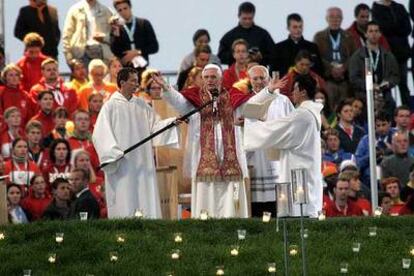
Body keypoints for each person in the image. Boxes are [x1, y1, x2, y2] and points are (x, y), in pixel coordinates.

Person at [153, 64, 249, 218]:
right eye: (207, 77)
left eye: (213, 77)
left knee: (233, 190)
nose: (210, 80)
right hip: (203, 157)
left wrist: (269, 91)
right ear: (202, 79)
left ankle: (234, 219)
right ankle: (205, 221)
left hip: (231, 157)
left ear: (220, 78)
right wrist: (166, 87)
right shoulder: (195, 98)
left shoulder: (233, 96)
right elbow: (178, 101)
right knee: (206, 192)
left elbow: (250, 105)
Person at [93, 67, 179, 218]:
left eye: (137, 81)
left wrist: (172, 123)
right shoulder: (110, 107)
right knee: (125, 199)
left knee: (144, 199)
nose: (137, 84)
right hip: (122, 164)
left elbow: (155, 128)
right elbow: (100, 134)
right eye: (133, 81)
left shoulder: (142, 106)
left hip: (143, 163)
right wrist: (113, 153)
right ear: (122, 82)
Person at [243, 74, 323, 218]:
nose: (292, 93)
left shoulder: (301, 116)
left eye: (295, 89)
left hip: (298, 175)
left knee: (299, 217)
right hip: (306, 172)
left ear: (303, 92)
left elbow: (267, 131)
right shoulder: (311, 113)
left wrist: (249, 123)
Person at [234, 65, 294, 217]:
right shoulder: (242, 102)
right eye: (255, 78)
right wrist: (242, 125)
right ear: (250, 80)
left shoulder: (283, 101)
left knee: (278, 202)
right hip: (255, 158)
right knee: (256, 205)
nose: (259, 81)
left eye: (262, 78)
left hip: (276, 158)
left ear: (268, 79)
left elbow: (291, 124)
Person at [348, 21, 399, 118]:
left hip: (384, 93)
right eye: (371, 31)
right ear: (365, 34)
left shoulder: (388, 55)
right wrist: (369, 85)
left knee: (391, 105)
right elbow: (353, 78)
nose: (374, 34)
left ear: (380, 34)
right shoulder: (357, 56)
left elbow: (395, 76)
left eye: (376, 31)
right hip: (363, 94)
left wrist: (388, 83)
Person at [314, 7, 356, 109]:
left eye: (338, 17)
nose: (335, 20)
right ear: (327, 18)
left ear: (342, 19)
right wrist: (331, 69)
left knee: (345, 106)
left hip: (344, 80)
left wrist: (343, 68)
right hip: (327, 80)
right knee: (329, 105)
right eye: (332, 17)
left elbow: (354, 56)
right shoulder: (319, 37)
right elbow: (317, 57)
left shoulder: (349, 36)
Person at [372, 0, 412, 107]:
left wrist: (392, 28)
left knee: (403, 85)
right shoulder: (376, 8)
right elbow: (382, 28)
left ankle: (408, 111)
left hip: (402, 53)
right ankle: (389, 113)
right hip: (386, 54)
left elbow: (408, 28)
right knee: (386, 86)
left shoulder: (399, 7)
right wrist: (397, 27)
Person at [218, 2, 274, 66]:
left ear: (254, 16)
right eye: (244, 18)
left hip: (258, 72)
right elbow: (220, 57)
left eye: (250, 18)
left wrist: (261, 57)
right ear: (239, 16)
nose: (247, 21)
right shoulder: (229, 36)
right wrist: (236, 55)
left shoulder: (263, 35)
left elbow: (274, 55)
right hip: (236, 73)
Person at [63, 0, 114, 66]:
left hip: (102, 52)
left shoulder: (106, 11)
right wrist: (69, 57)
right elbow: (67, 35)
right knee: (84, 76)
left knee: (102, 75)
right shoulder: (75, 10)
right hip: (81, 53)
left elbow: (113, 36)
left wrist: (104, 37)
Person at [110, 0, 158, 68]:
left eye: (125, 8)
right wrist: (116, 35)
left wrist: (137, 52)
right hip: (125, 69)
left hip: (142, 67)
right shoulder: (116, 27)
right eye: (120, 10)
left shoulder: (143, 23)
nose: (123, 12)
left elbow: (154, 47)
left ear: (130, 7)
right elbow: (115, 51)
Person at [355, 112, 394, 187]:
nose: (381, 128)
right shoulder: (366, 140)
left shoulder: (396, 136)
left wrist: (392, 150)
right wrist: (372, 156)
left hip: (392, 173)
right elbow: (358, 162)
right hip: (371, 175)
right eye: (378, 125)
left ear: (390, 123)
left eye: (384, 124)